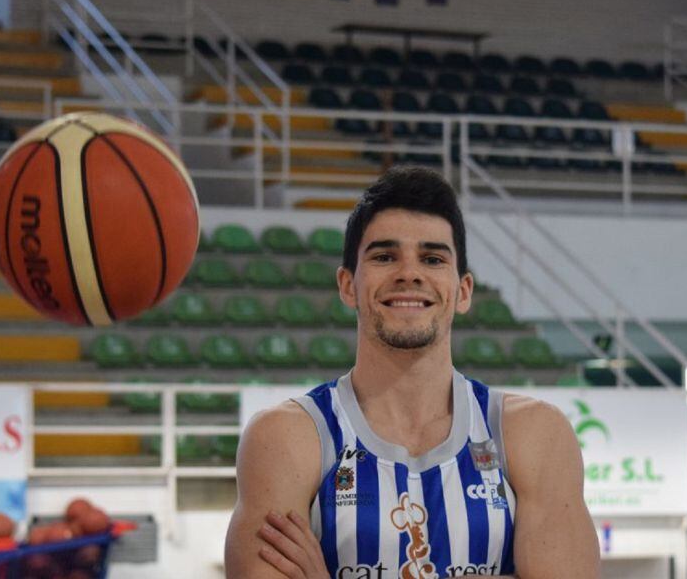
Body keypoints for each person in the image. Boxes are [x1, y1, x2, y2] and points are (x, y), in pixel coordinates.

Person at [225, 166, 600, 578]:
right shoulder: (284, 438)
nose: (409, 273)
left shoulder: (536, 434)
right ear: (347, 285)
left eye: (432, 259)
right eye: (385, 257)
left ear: (463, 291)